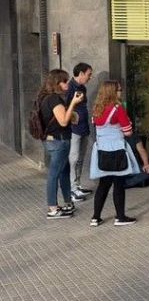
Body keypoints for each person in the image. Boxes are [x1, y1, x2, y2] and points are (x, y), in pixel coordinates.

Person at [88, 80, 148, 227]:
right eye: (119, 90)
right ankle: (120, 217)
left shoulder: (97, 109)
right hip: (117, 150)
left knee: (103, 184)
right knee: (119, 183)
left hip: (101, 150)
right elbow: (128, 131)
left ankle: (95, 217)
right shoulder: (117, 108)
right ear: (113, 92)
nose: (121, 92)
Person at [39, 69, 84, 219]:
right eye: (64, 81)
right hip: (58, 141)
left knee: (64, 171)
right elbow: (63, 121)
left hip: (55, 140)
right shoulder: (53, 99)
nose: (67, 84)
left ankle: (67, 202)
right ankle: (53, 208)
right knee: (54, 174)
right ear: (57, 83)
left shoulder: (48, 98)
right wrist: (73, 103)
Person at [67, 62, 93, 201]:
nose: (90, 77)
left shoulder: (82, 87)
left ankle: (77, 184)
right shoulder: (70, 87)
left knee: (80, 159)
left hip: (83, 128)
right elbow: (65, 107)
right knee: (74, 158)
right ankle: (72, 189)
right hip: (74, 129)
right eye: (89, 74)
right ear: (81, 73)